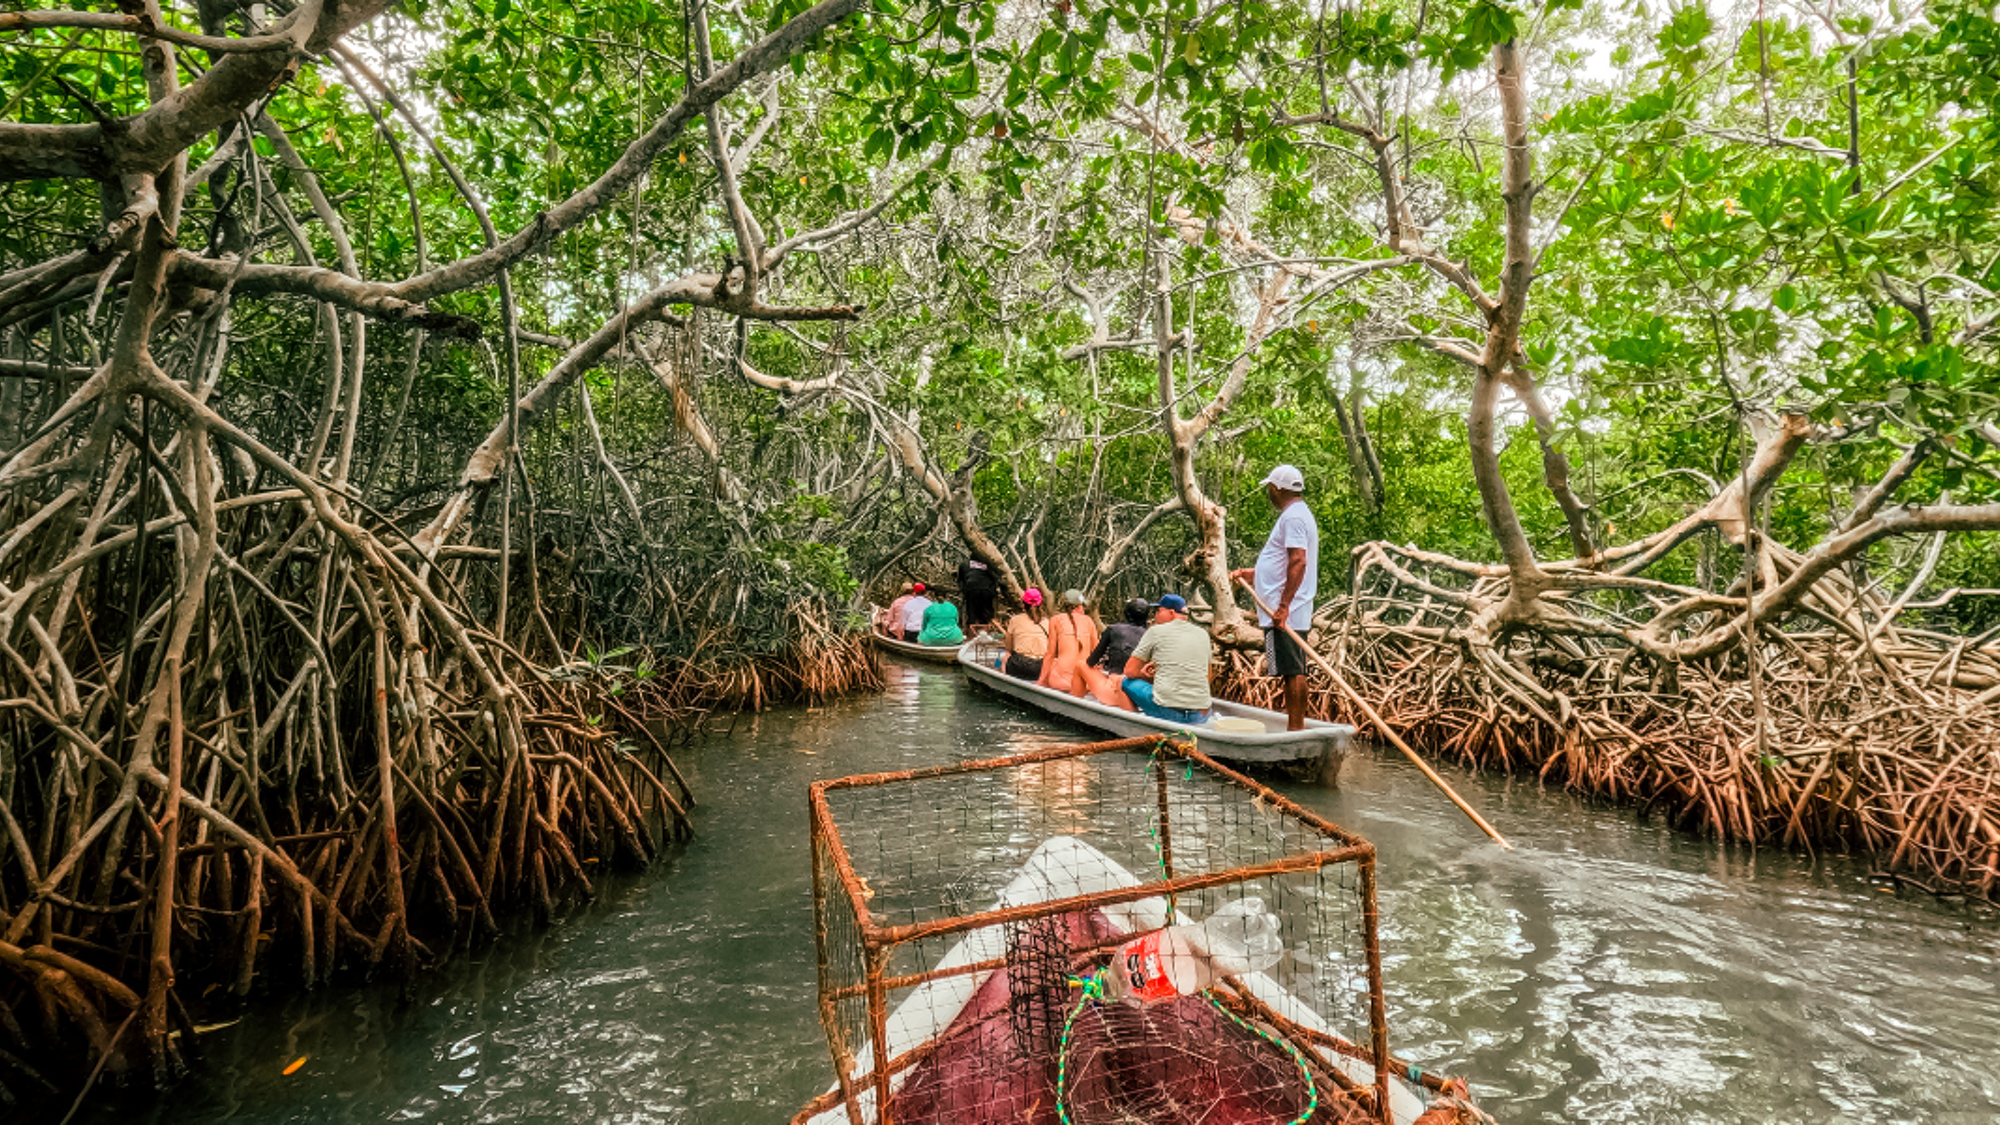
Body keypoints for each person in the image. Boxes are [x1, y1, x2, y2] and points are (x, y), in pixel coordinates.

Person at [1230, 464, 1319, 731]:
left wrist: (1283, 606)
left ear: (1277, 489)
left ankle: (1295, 729)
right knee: (1292, 668)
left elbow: (1298, 561)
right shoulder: (1295, 515)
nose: (1269, 492)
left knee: (1293, 670)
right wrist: (1253, 574)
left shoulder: (1293, 517)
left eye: (1270, 487)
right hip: (1285, 608)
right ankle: (1296, 726)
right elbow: (1284, 562)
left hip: (1286, 611)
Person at [1120, 594, 1212, 725]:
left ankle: (1131, 726)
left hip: (1169, 713)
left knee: (1125, 681)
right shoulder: (1203, 634)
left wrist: (1147, 676)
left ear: (1171, 613)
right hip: (1201, 715)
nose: (1155, 615)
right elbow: (1207, 676)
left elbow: (1130, 671)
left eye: (1158, 611)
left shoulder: (1155, 631)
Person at [1037, 590, 1100, 695]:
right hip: (1086, 684)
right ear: (1079, 607)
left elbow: (1050, 654)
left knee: (1054, 663)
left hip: (1062, 682)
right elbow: (1097, 653)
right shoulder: (1089, 621)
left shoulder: (1055, 620)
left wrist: (1042, 680)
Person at [1001, 587, 1050, 680]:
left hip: (1019, 666)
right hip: (1040, 668)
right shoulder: (1047, 622)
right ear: (1041, 604)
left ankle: (1005, 680)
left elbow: (1009, 648)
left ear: (1024, 604)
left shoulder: (1015, 620)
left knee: (1005, 655)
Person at [957, 554, 999, 630]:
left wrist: (964, 591)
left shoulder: (964, 564)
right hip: (987, 591)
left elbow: (961, 580)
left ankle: (971, 630)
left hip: (971, 590)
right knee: (986, 614)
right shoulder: (989, 565)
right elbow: (995, 579)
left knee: (971, 612)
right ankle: (986, 631)